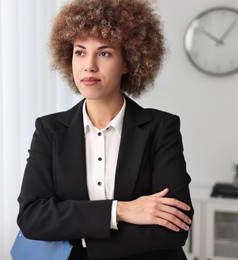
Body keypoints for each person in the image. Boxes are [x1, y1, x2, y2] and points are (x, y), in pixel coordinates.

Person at [16, 0, 194, 259]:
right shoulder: (49, 130)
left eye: (104, 53)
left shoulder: (161, 128)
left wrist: (82, 239)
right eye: (80, 52)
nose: (89, 65)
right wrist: (120, 211)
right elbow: (32, 217)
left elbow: (175, 226)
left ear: (128, 62)